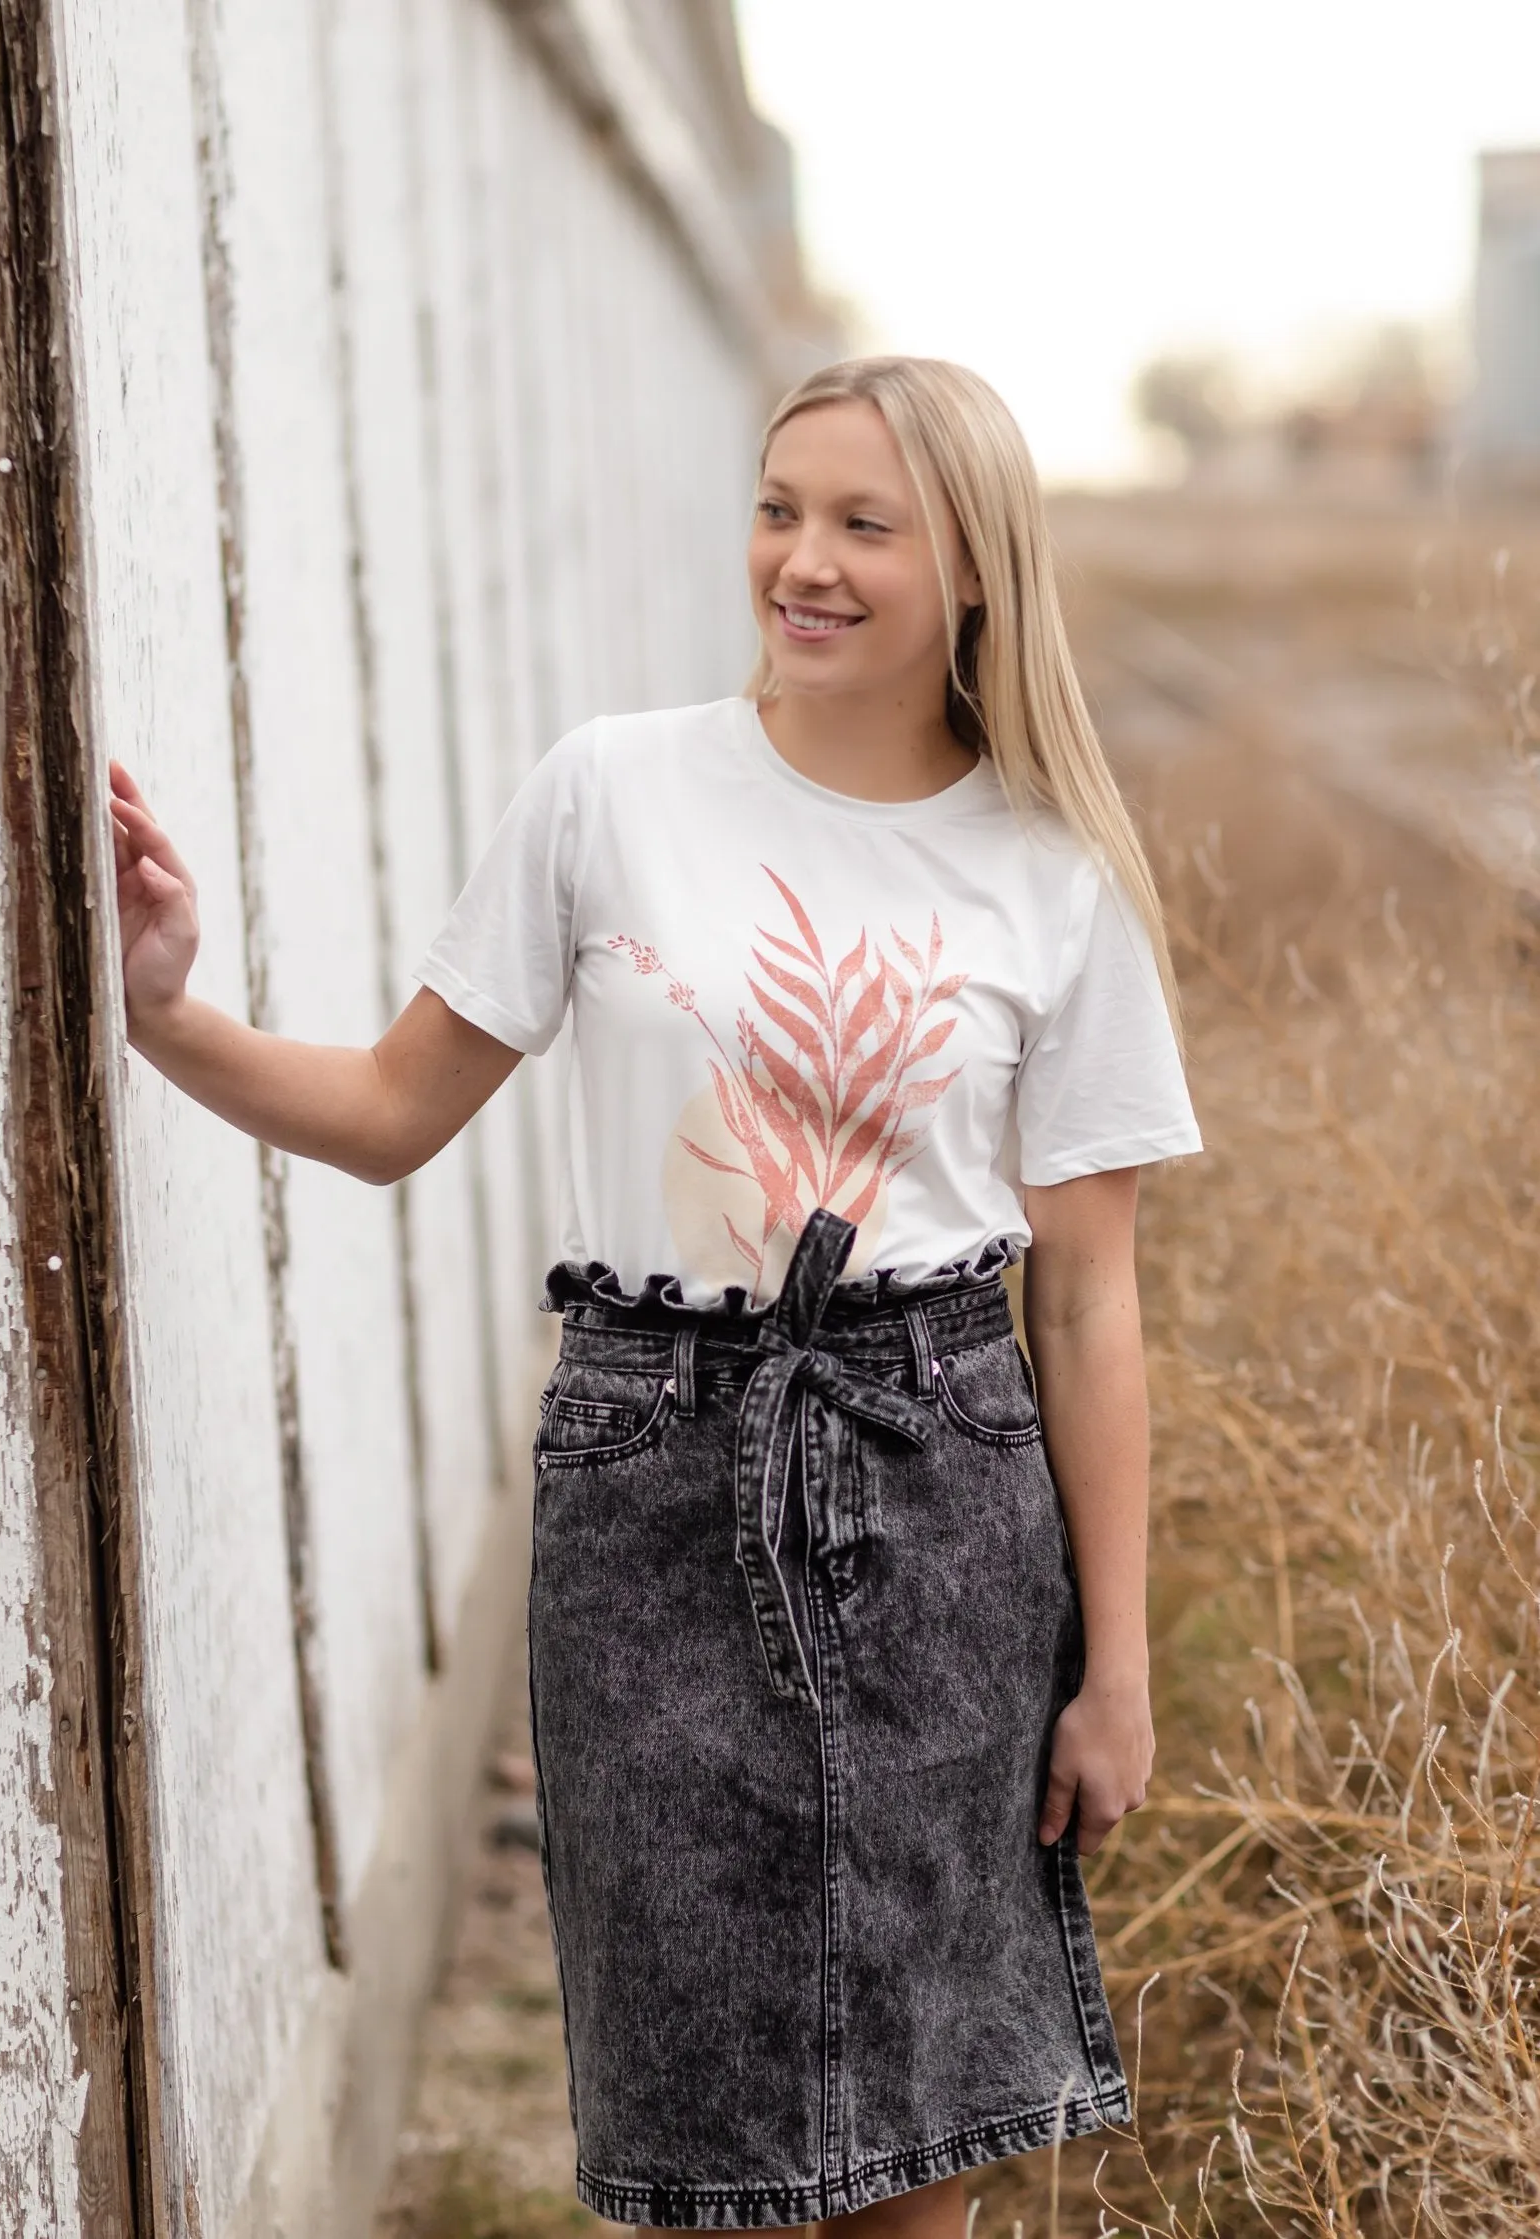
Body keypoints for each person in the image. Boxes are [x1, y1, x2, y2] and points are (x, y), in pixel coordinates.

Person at [111, 355, 1201, 2239]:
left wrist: (1116, 1665)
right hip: (649, 1483)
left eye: (865, 522)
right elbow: (388, 1114)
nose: (804, 559)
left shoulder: (1054, 874)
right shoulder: (607, 789)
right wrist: (167, 1013)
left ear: (971, 570)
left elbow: (1090, 1301)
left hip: (937, 1493)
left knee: (917, 2141)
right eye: (781, 507)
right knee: (694, 2149)